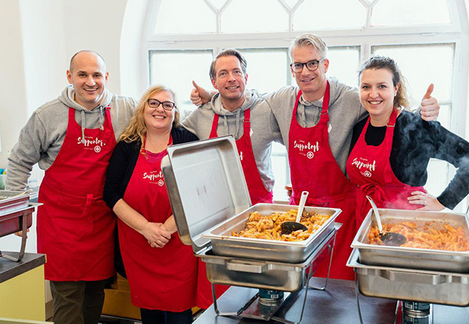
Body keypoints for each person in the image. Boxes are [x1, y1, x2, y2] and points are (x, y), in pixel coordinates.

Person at [192, 34, 440, 280]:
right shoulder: (281, 100)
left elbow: (387, 110)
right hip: (300, 216)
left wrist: (422, 112)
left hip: (341, 216)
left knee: (339, 294)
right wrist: (211, 98)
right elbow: (247, 99)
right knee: (302, 291)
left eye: (312, 63)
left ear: (325, 65)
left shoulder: (352, 98)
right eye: (298, 65)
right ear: (292, 68)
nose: (305, 71)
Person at [6, 50, 137, 324]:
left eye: (97, 75)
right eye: (83, 75)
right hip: (61, 222)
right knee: (67, 300)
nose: (91, 82)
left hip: (102, 220)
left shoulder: (125, 108)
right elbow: (19, 163)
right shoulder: (47, 116)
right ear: (70, 77)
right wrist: (18, 213)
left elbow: (162, 116)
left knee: (94, 295)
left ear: (106, 77)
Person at [347, 56, 469, 223]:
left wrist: (442, 201)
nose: (373, 94)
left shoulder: (417, 128)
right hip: (364, 222)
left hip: (408, 225)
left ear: (396, 88)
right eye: (366, 87)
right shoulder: (358, 127)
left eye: (382, 86)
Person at [103, 85, 200, 324]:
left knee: (180, 314)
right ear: (143, 108)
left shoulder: (188, 141)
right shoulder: (128, 145)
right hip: (139, 243)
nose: (160, 109)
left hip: (178, 244)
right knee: (150, 314)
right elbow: (111, 193)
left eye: (168, 105)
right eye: (153, 103)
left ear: (175, 112)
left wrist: (165, 229)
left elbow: (198, 192)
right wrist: (146, 228)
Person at [183, 49, 282, 204]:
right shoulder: (201, 115)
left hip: (260, 211)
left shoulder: (266, 110)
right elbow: (171, 133)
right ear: (214, 82)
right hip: (215, 209)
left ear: (246, 77)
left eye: (236, 72)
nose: (231, 79)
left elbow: (294, 138)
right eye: (223, 73)